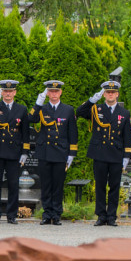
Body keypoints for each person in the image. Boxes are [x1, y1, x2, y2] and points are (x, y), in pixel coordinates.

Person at [77, 80, 131, 227]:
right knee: (100, 185)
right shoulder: (96, 109)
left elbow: (127, 136)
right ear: (104, 94)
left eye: (113, 92)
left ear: (117, 94)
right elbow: (79, 112)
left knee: (114, 186)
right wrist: (91, 100)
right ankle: (101, 215)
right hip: (100, 153)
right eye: (108, 92)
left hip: (116, 154)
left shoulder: (124, 113)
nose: (111, 94)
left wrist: (127, 156)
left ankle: (112, 216)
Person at [28, 80, 78, 226]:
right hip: (44, 152)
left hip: (60, 152)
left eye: (56, 91)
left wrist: (71, 153)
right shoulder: (42, 109)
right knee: (46, 185)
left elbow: (72, 133)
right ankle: (46, 214)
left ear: (60, 92)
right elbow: (31, 119)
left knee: (58, 185)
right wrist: (38, 103)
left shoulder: (68, 110)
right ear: (48, 93)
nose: (54, 94)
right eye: (51, 91)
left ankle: (56, 214)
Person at [0, 80, 29, 225]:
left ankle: (12, 215)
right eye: (5, 91)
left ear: (15, 92)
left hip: (13, 151)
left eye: (10, 91)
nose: (8, 94)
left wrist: (25, 152)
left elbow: (25, 132)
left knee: (13, 184)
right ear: (1, 92)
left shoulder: (21, 109)